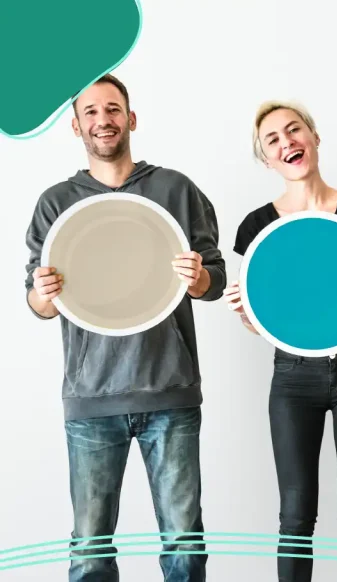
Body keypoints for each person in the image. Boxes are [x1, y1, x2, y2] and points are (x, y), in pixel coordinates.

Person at [23, 74, 225, 581]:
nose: (103, 120)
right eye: (91, 112)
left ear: (131, 119)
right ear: (75, 127)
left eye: (113, 109)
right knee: (90, 551)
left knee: (184, 547)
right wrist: (43, 296)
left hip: (170, 392)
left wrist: (200, 277)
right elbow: (39, 303)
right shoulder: (56, 203)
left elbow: (216, 278)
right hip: (92, 397)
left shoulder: (176, 190)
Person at [223, 101, 337, 582]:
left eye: (293, 130)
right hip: (292, 377)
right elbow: (264, 322)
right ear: (266, 160)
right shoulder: (256, 226)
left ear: (315, 136)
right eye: (273, 140)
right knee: (296, 516)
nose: (287, 143)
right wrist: (247, 314)